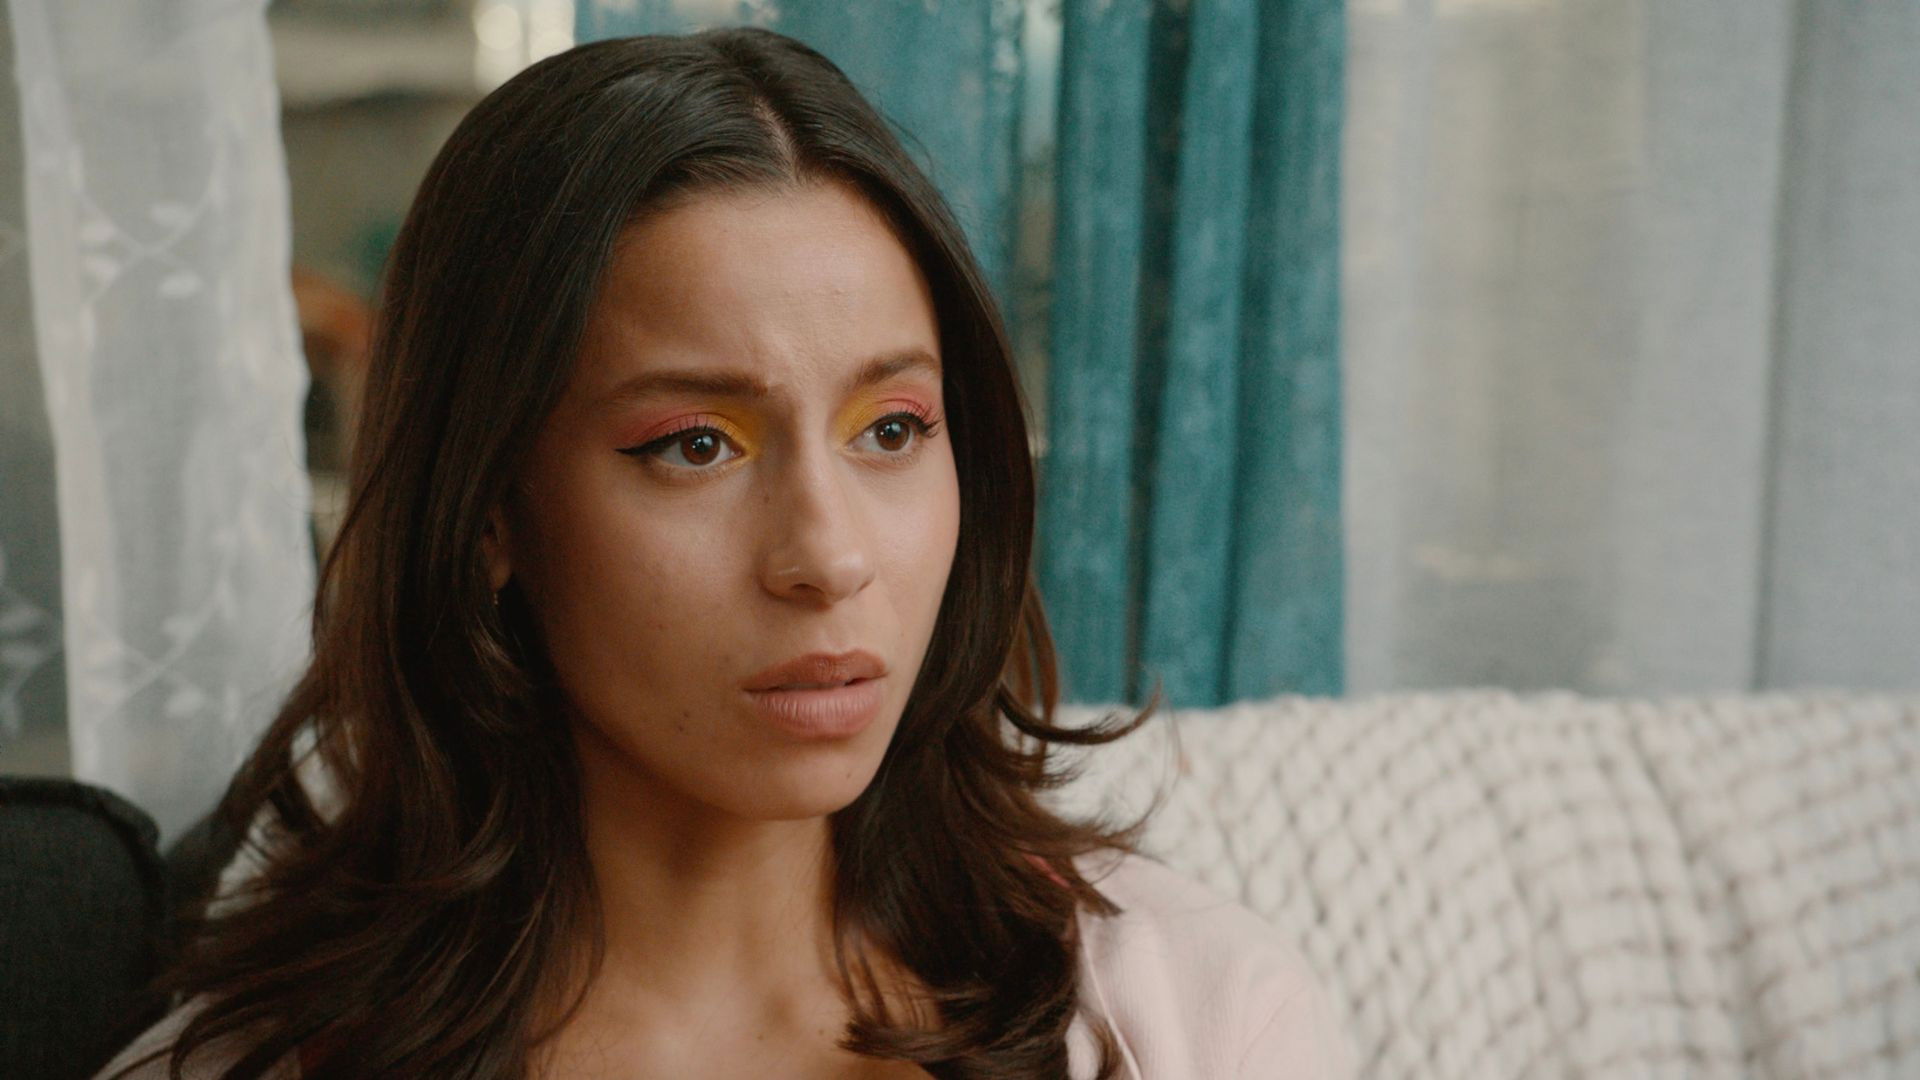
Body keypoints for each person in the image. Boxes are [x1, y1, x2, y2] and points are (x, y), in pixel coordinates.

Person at [97, 27, 1355, 1080]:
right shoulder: (253, 1063)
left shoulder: (1196, 1019)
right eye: (696, 445)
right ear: (487, 512)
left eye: (892, 429)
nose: (828, 557)